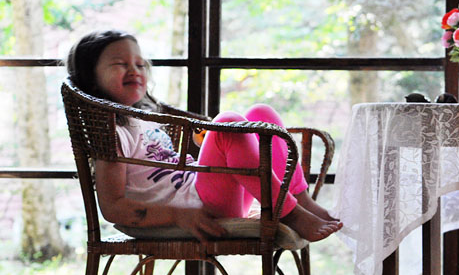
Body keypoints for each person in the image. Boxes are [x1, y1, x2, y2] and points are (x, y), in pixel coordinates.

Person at [65, 29, 342, 243]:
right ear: (91, 78)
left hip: (206, 192)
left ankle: (301, 201)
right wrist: (178, 215)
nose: (134, 70)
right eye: (119, 63)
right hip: (197, 208)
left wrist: (206, 145)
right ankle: (289, 212)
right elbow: (112, 207)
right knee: (230, 122)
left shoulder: (145, 119)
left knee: (261, 113)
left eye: (139, 63)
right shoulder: (112, 133)